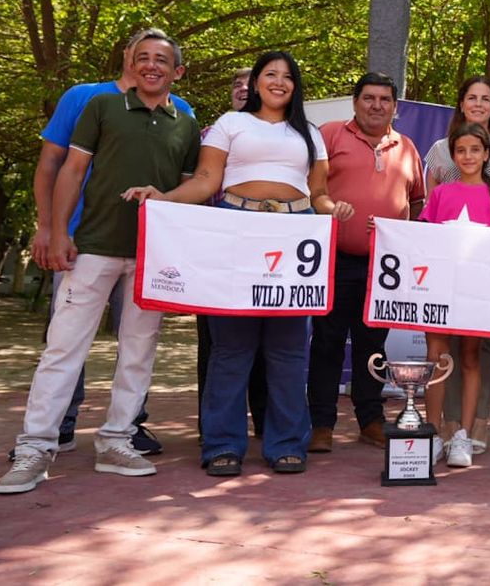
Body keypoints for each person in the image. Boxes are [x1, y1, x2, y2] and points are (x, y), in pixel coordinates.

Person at [124, 51, 353, 477]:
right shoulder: (230, 123)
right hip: (236, 228)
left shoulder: (309, 132)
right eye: (270, 74)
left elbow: (319, 192)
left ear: (296, 86)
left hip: (295, 232)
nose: (279, 82)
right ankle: (222, 444)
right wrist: (164, 199)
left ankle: (287, 443)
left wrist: (332, 208)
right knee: (231, 347)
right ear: (257, 82)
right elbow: (206, 181)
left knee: (288, 349)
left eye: (287, 76)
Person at [0, 30, 201, 494]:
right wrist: (57, 231)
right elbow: (70, 171)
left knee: (139, 351)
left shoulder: (187, 124)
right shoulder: (100, 106)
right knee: (63, 349)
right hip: (92, 247)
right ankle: (35, 447)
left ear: (178, 71)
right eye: (143, 57)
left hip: (152, 258)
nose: (151, 66)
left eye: (161, 60)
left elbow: (189, 190)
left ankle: (116, 441)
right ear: (130, 62)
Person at [307, 72, 425, 454]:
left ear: (395, 106)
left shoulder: (407, 147)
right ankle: (320, 424)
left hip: (384, 267)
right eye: (369, 98)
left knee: (373, 345)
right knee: (326, 343)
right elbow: (313, 189)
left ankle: (370, 420)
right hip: (335, 259)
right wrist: (330, 209)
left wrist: (401, 234)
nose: (377, 105)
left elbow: (417, 201)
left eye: (384, 99)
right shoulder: (330, 135)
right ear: (355, 102)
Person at [423, 76, 490, 457]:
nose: (467, 156)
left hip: (479, 290)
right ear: (452, 154)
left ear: (486, 155)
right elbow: (423, 234)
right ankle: (432, 433)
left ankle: (464, 434)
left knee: (472, 356)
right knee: (437, 356)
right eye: (460, 150)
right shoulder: (441, 192)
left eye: (475, 150)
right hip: (442, 286)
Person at [196, 67, 268, 441]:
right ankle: (213, 427)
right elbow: (195, 185)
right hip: (217, 253)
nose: (242, 88)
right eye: (235, 84)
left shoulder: (281, 135)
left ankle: (266, 423)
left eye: (248, 83)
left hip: (267, 256)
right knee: (216, 344)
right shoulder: (209, 135)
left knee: (267, 341)